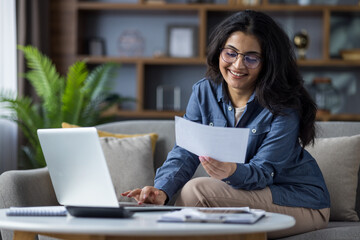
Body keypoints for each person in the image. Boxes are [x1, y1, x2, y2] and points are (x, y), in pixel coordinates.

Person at [122, 10, 330, 238]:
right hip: (241, 194)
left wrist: (232, 171)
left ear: (268, 63)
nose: (238, 65)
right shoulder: (204, 91)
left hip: (298, 201)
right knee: (188, 200)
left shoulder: (285, 106)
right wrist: (162, 190)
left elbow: (263, 172)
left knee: (196, 191)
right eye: (231, 53)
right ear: (219, 52)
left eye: (251, 58)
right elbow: (185, 151)